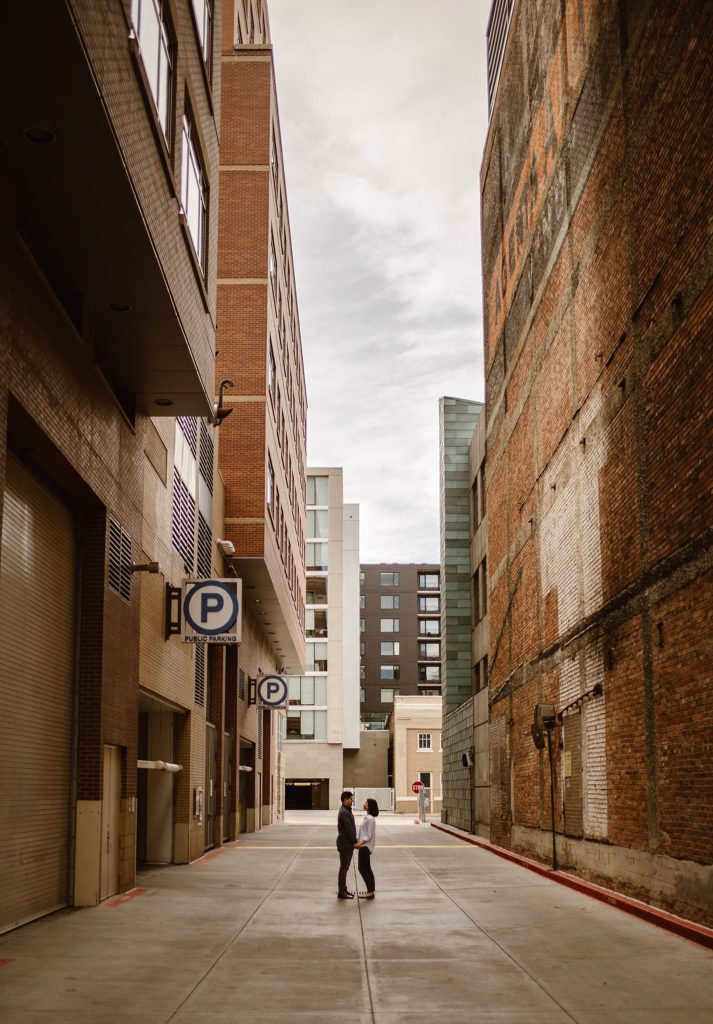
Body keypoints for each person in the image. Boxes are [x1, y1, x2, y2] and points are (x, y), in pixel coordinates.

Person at [336, 790, 358, 899]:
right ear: (345, 800)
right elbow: (349, 829)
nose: (352, 800)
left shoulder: (346, 810)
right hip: (345, 844)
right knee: (344, 868)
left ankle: (343, 890)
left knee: (344, 868)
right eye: (350, 798)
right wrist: (355, 841)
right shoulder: (344, 812)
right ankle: (341, 892)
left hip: (346, 843)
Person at [355, 797, 379, 899]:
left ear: (370, 806)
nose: (364, 804)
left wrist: (359, 844)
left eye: (366, 803)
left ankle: (370, 891)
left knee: (362, 868)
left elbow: (368, 835)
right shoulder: (368, 817)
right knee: (367, 868)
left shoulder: (370, 819)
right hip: (364, 846)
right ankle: (371, 889)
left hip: (365, 847)